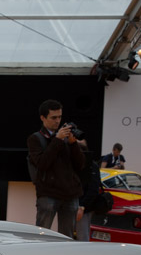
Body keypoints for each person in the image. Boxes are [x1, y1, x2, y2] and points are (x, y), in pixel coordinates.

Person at [27, 99, 84, 238]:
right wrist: (57, 140)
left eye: (59, 117)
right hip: (48, 194)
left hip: (70, 194)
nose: (57, 121)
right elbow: (42, 164)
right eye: (53, 117)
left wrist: (72, 144)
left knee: (67, 237)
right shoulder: (35, 139)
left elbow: (80, 165)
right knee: (41, 234)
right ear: (43, 118)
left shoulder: (65, 138)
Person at [75, 150, 102, 241]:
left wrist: (82, 206)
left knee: (82, 237)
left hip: (84, 208)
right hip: (80, 206)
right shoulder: (83, 164)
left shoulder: (91, 166)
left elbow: (93, 189)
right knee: (81, 236)